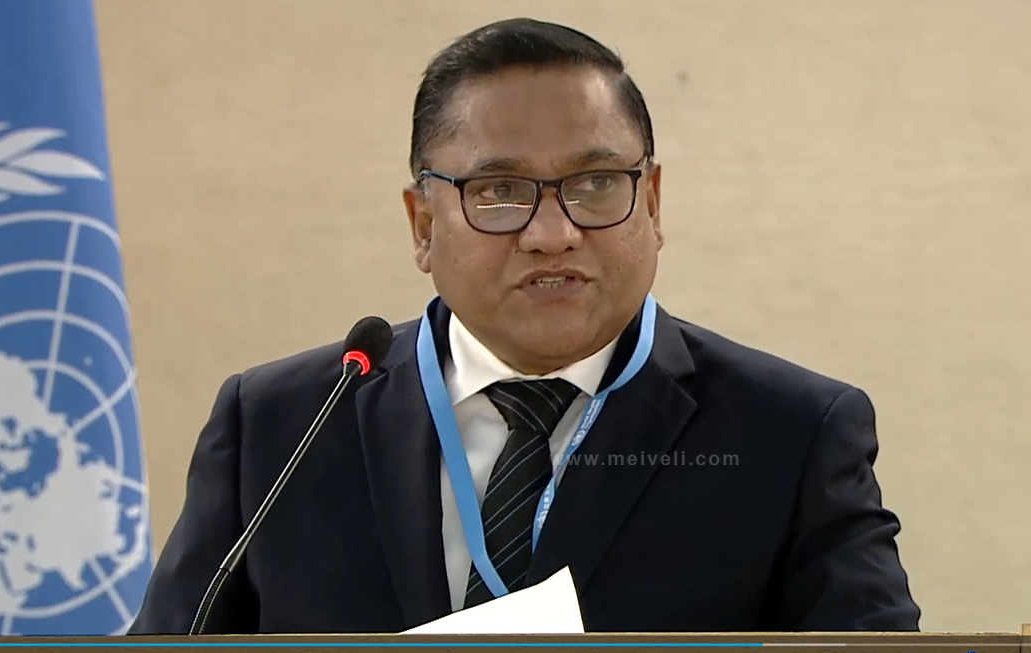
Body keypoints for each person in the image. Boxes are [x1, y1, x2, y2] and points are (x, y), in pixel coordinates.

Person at [129, 18, 920, 634]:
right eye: (499, 191)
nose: (552, 232)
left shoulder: (792, 431)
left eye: (597, 182)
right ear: (422, 225)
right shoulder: (279, 426)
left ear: (652, 203)